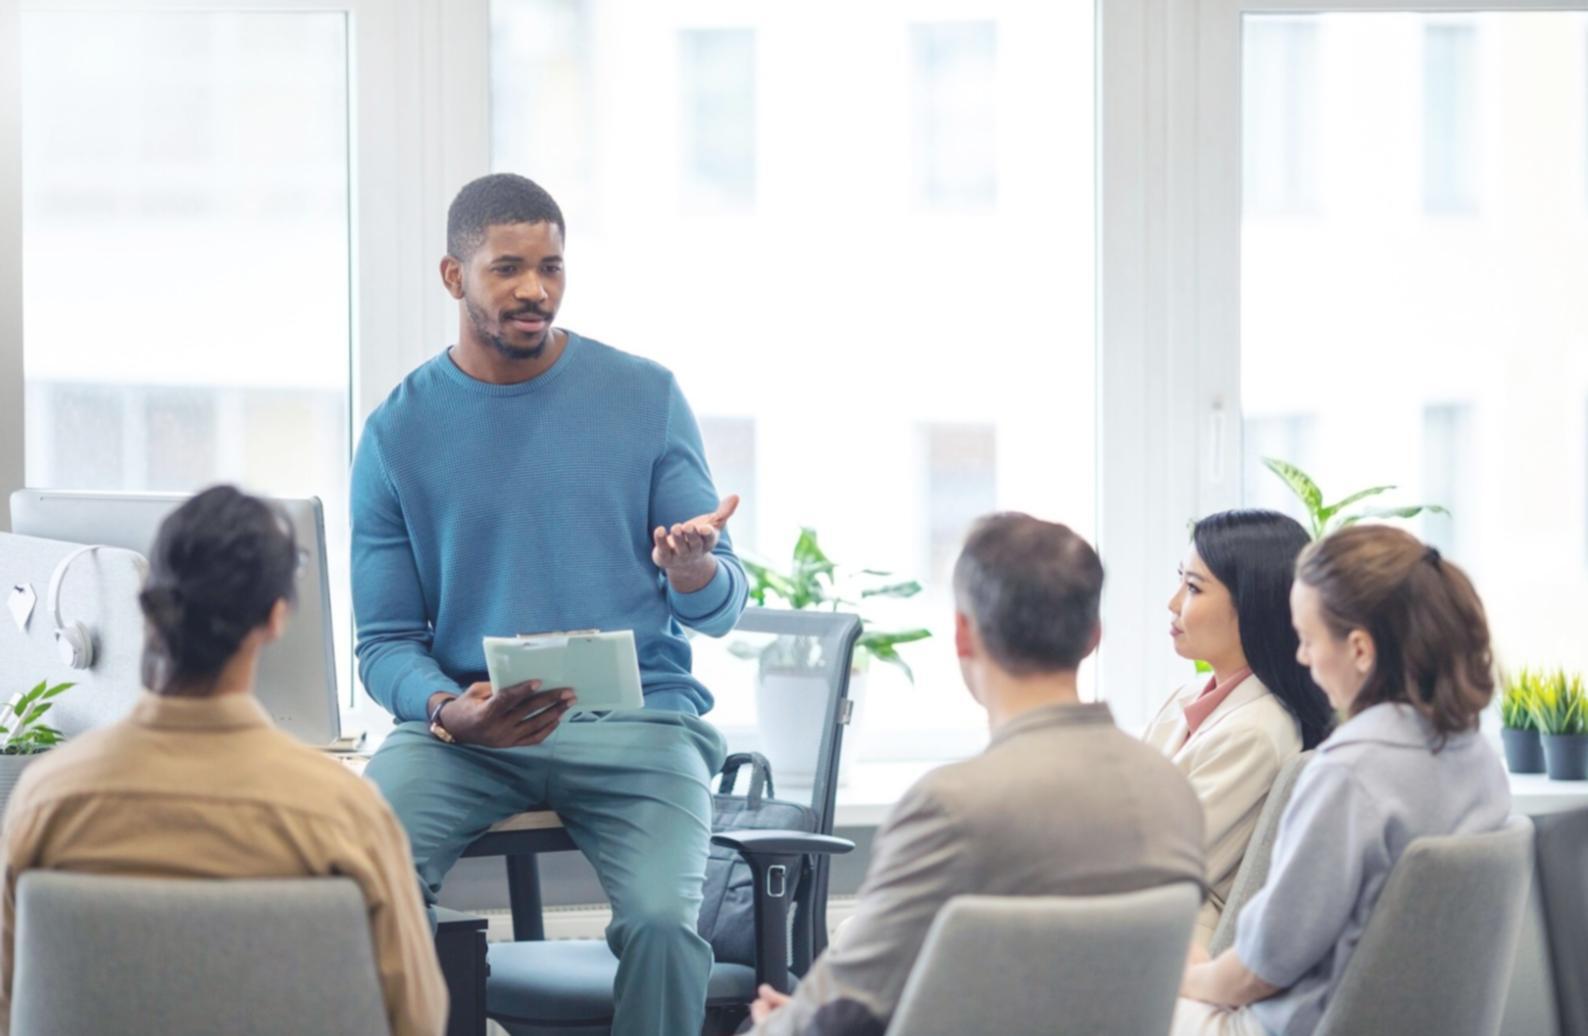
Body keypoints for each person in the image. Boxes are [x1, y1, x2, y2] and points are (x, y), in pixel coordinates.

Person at [353, 173, 747, 1036]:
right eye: (508, 269)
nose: (535, 289)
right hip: (468, 739)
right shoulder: (396, 433)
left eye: (552, 267)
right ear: (454, 277)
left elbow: (721, 607)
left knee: (664, 927)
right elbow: (383, 644)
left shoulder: (644, 397)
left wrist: (690, 574)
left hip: (640, 725)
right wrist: (449, 711)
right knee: (355, 885)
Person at [0, 486, 447, 1036]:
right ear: (276, 618)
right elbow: (416, 1020)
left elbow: (10, 1003)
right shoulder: (344, 815)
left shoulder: (47, 802)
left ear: (147, 608)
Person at [748, 513, 1205, 1036]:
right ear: (1092, 636)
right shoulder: (1172, 791)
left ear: (963, 633)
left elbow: (843, 1007)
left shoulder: (952, 806)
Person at [1173, 525, 1511, 1036]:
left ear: (1359, 650)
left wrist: (1193, 976)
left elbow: (1258, 971)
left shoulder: (1347, 774)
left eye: (1307, 640)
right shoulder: (1479, 757)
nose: (1302, 658)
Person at [1143, 509, 1333, 944]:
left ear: (1252, 604)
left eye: (1192, 588)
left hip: (1173, 943)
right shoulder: (1188, 697)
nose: (1173, 603)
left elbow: (1155, 863)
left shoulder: (1256, 732)